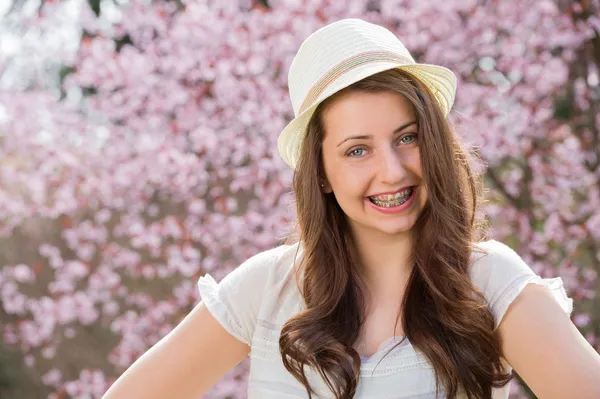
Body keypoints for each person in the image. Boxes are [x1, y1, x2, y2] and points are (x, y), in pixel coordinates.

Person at [101, 18, 600, 399]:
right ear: (319, 172)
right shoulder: (267, 288)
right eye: (357, 150)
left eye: (408, 139)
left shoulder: (490, 282)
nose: (393, 171)